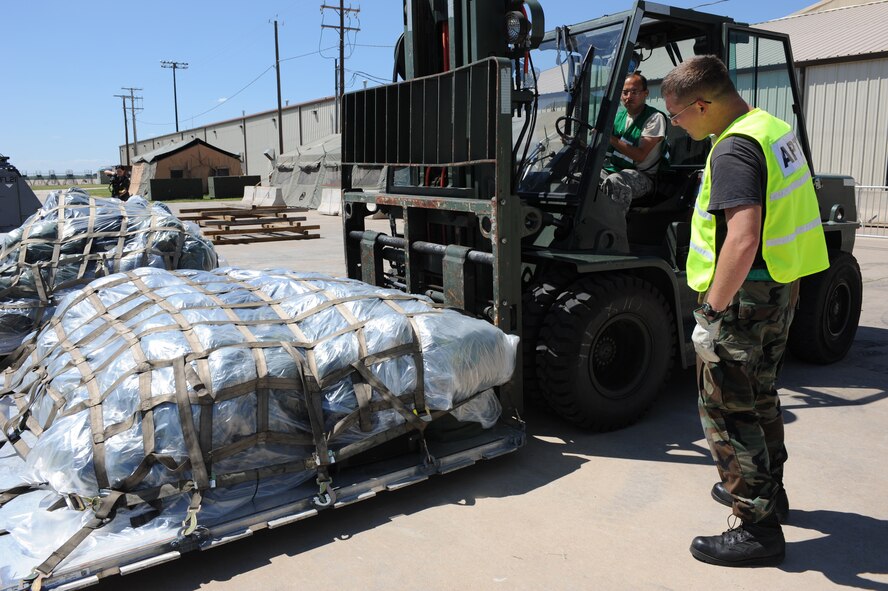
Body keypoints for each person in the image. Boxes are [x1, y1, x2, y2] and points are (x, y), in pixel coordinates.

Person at [661, 55, 828, 567]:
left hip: (741, 300)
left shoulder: (733, 149)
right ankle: (768, 493)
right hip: (777, 290)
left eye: (678, 115)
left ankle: (757, 527)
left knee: (727, 412)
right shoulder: (773, 129)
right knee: (759, 399)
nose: (676, 125)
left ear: (703, 104)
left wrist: (709, 315)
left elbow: (743, 236)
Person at [600, 72, 668, 212]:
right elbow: (606, 149)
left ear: (645, 93)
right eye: (625, 93)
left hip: (643, 177)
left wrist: (608, 137)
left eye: (634, 92)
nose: (628, 97)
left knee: (615, 182)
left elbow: (640, 155)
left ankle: (614, 229)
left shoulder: (654, 118)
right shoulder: (617, 117)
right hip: (615, 170)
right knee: (580, 177)